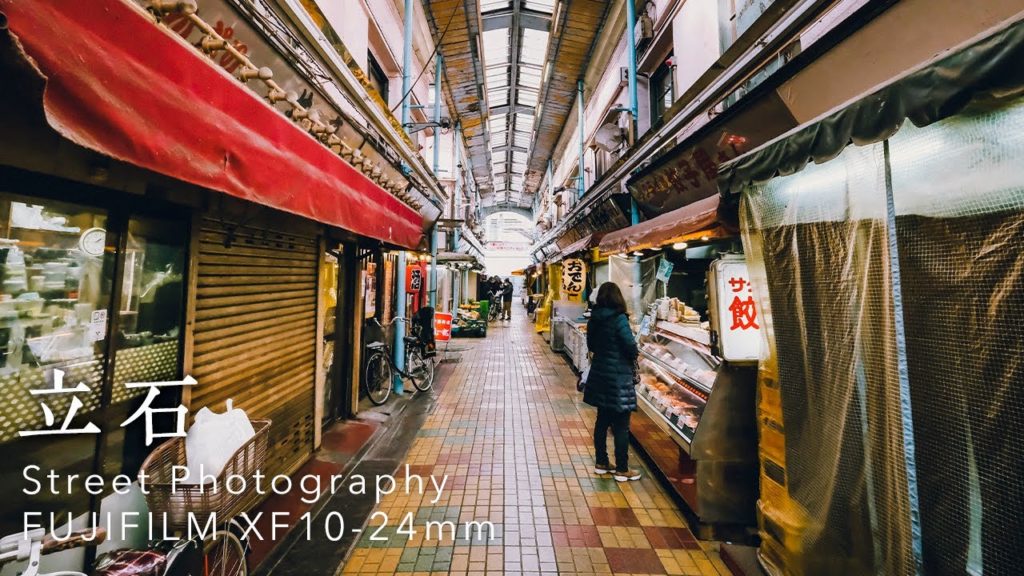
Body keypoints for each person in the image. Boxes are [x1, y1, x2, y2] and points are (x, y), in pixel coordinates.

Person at [583, 282, 641, 482]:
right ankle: (622, 469)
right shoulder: (619, 319)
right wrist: (634, 351)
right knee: (621, 425)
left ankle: (601, 462)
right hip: (618, 377)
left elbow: (591, 345)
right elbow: (630, 348)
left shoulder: (594, 319)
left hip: (600, 375)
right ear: (618, 297)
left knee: (602, 420)